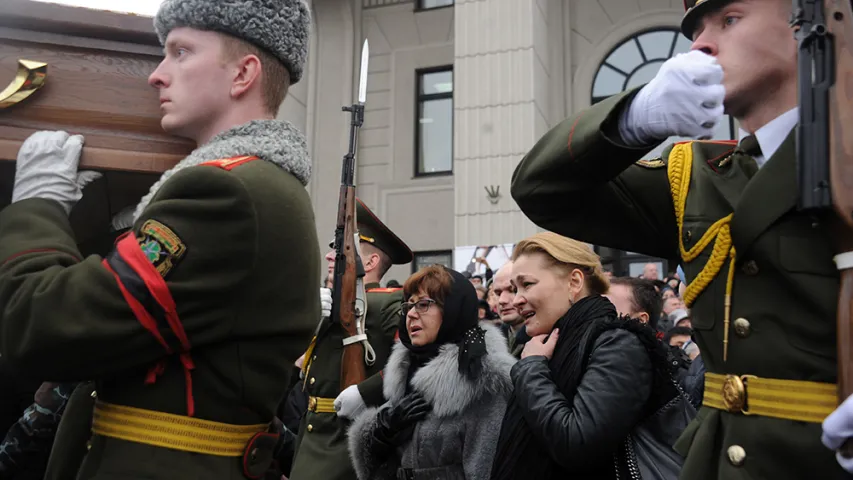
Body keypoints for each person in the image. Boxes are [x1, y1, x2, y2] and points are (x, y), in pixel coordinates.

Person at [510, 0, 842, 477]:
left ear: (807, 21)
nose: (700, 44)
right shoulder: (697, 177)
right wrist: (634, 118)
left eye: (729, 19)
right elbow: (539, 189)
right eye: (696, 29)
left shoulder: (844, 157)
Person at [0, 0, 319, 478]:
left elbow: (42, 326)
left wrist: (37, 205)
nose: (156, 75)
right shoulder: (238, 188)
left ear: (243, 75)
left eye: (181, 52)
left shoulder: (228, 194)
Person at [491, 233, 690, 480]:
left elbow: (578, 445)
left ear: (574, 282)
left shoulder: (618, 343)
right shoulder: (548, 345)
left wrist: (531, 369)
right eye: (514, 288)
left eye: (527, 284)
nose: (517, 299)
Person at [347, 266, 515, 480]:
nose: (411, 314)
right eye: (408, 305)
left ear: (454, 310)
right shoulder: (407, 372)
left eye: (424, 304)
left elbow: (486, 470)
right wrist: (382, 434)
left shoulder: (481, 377)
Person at [289, 198, 413, 480]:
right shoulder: (325, 306)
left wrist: (367, 392)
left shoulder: (387, 304)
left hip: (345, 446)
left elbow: (423, 356)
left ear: (370, 261)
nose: (330, 256)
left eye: (342, 250)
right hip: (310, 437)